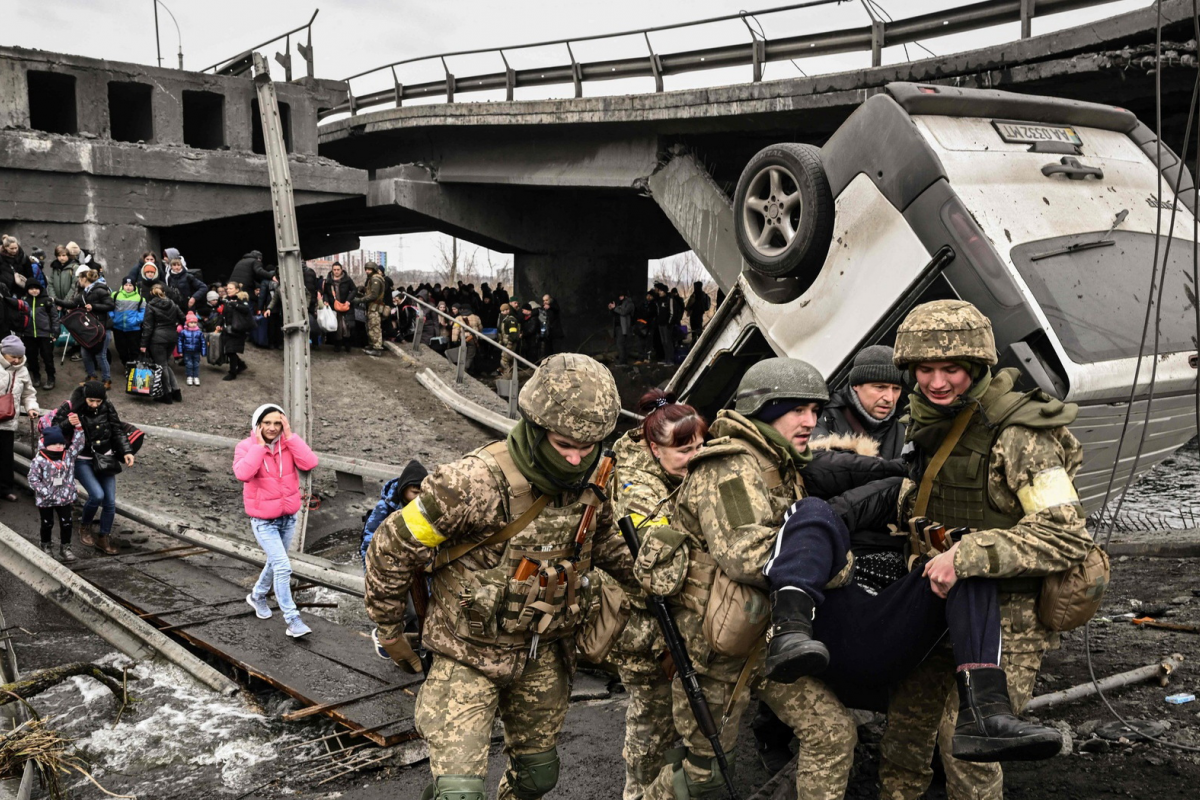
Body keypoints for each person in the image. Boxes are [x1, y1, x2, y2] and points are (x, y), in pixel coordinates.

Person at [364, 353, 636, 800]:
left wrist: (654, 575)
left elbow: (606, 544)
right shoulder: (470, 484)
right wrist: (390, 628)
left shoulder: (597, 478)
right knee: (459, 793)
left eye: (588, 447)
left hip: (543, 652)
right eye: (564, 443)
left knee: (538, 777)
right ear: (534, 426)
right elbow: (390, 548)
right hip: (466, 652)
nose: (575, 458)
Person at [879, 300, 1093, 800]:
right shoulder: (928, 420)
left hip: (1008, 618)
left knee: (968, 746)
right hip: (935, 604)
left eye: (950, 369)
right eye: (925, 370)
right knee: (905, 733)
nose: (936, 382)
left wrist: (966, 556)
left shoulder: (1020, 436)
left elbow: (1065, 534)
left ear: (976, 368)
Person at [611, 389, 708, 800]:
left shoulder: (683, 475)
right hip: (646, 630)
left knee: (681, 731)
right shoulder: (637, 489)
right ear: (654, 448)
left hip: (681, 624)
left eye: (701, 445)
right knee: (650, 732)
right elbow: (660, 567)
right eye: (684, 449)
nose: (696, 456)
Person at [236, 404, 319, 639]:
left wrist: (291, 436)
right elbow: (243, 474)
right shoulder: (245, 447)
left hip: (288, 517)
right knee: (283, 566)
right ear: (258, 425)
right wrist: (260, 448)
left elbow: (310, 463)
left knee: (275, 562)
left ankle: (257, 596)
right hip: (263, 521)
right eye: (267, 423)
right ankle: (293, 620)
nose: (272, 428)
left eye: (277, 423)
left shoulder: (288, 444)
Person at [53, 381, 135, 555]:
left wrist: (127, 451)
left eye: (98, 401)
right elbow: (53, 431)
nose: (95, 405)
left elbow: (117, 430)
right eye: (91, 401)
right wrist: (68, 422)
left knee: (110, 501)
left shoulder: (107, 406)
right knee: (97, 495)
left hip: (105, 457)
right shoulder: (70, 407)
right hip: (82, 459)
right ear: (84, 397)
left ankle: (103, 537)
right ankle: (84, 525)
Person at [813, 344, 906, 459]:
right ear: (856, 385)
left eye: (896, 389)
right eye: (880, 387)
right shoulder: (819, 416)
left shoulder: (907, 426)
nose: (889, 398)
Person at [28, 424, 86, 562]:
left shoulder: (68, 456)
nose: (59, 446)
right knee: (47, 523)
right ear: (47, 444)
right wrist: (44, 491)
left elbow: (78, 444)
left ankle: (65, 547)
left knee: (67, 522)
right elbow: (32, 478)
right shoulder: (39, 460)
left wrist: (79, 429)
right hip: (46, 499)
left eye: (61, 443)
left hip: (64, 497)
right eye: (55, 444)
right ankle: (46, 545)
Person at [359, 460, 428, 564]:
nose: (418, 498)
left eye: (422, 494)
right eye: (415, 493)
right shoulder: (385, 507)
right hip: (386, 555)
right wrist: (369, 570)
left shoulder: (424, 506)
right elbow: (369, 541)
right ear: (403, 489)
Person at [56, 268, 115, 389]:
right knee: (85, 353)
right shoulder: (84, 293)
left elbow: (110, 305)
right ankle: (91, 377)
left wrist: (94, 306)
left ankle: (106, 380)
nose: (78, 281)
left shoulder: (100, 290)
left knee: (100, 355)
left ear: (84, 279)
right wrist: (55, 300)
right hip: (89, 330)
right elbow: (72, 304)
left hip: (102, 328)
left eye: (79, 278)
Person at [1, 336, 40, 502]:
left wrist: (31, 407)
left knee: (5, 457)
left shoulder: (22, 370)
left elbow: (29, 393)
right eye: (13, 357)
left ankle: (4, 489)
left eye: (19, 357)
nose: (16, 360)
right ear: (4, 354)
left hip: (8, 421)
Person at [140, 283, 183, 404]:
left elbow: (147, 327)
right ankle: (176, 391)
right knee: (165, 364)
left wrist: (143, 344)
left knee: (162, 365)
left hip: (157, 339)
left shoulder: (151, 305)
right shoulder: (172, 304)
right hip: (171, 337)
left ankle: (167, 394)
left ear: (151, 293)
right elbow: (183, 318)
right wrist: (174, 325)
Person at [19, 282, 58, 390]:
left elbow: (54, 318)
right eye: (31, 289)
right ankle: (36, 377)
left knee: (47, 357)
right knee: (31, 357)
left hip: (45, 334)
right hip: (28, 335)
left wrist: (55, 332)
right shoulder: (24, 302)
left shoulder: (47, 301)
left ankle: (51, 378)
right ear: (27, 290)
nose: (34, 291)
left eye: (36, 288)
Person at [215, 284, 252, 381]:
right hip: (228, 329)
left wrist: (234, 304)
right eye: (227, 288)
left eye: (231, 289)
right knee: (228, 350)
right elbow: (223, 314)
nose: (228, 290)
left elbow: (246, 310)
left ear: (237, 290)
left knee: (231, 351)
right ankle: (241, 365)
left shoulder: (242, 299)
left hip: (237, 329)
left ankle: (232, 373)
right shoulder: (227, 299)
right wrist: (219, 323)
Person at [110, 276, 146, 369]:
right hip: (118, 327)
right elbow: (109, 308)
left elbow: (143, 311)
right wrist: (113, 318)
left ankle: (133, 368)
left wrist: (137, 320)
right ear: (123, 285)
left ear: (134, 286)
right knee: (121, 349)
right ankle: (126, 365)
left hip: (134, 329)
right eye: (126, 285)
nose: (128, 287)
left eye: (130, 285)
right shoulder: (115, 295)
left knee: (134, 349)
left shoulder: (139, 298)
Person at [321, 262, 357, 353]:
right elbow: (325, 292)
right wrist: (326, 300)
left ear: (341, 270)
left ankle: (347, 344)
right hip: (334, 307)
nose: (336, 271)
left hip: (345, 306)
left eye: (338, 269)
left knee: (346, 326)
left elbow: (354, 290)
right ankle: (337, 345)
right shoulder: (328, 281)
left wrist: (348, 300)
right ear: (332, 270)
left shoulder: (347, 280)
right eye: (334, 270)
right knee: (336, 326)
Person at [358, 261, 388, 356]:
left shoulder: (375, 279)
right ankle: (372, 345)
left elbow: (374, 295)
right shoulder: (372, 279)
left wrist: (360, 300)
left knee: (375, 327)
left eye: (369, 269)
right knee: (370, 326)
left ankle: (377, 348)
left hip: (374, 307)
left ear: (374, 270)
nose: (367, 271)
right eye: (366, 269)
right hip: (371, 307)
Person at [450, 302, 481, 374]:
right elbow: (480, 328)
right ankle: (468, 368)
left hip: (463, 339)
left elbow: (455, 329)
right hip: (472, 338)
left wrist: (454, 340)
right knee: (470, 355)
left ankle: (464, 369)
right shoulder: (476, 317)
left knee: (462, 354)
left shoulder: (458, 318)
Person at [177, 311, 207, 387]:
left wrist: (203, 352)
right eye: (191, 322)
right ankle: (189, 376)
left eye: (195, 322)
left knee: (196, 364)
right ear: (187, 323)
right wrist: (180, 351)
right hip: (187, 351)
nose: (193, 324)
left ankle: (196, 377)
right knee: (189, 364)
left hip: (196, 351)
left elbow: (203, 342)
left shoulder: (199, 332)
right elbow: (180, 342)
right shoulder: (183, 332)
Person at [608, 293, 634, 365]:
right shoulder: (619, 303)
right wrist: (611, 309)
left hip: (624, 327)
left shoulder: (629, 303)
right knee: (619, 344)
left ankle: (622, 362)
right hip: (617, 326)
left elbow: (623, 312)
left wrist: (615, 308)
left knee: (621, 344)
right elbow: (615, 313)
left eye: (621, 295)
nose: (620, 297)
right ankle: (622, 361)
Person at [496, 303, 520, 379]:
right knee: (509, 361)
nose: (502, 313)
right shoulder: (506, 319)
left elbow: (513, 333)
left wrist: (510, 343)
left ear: (508, 310)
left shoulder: (510, 320)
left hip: (510, 344)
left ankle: (507, 376)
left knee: (504, 360)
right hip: (506, 343)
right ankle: (510, 376)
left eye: (503, 311)